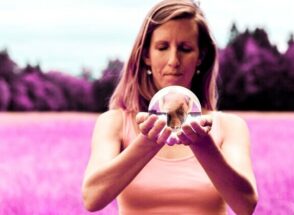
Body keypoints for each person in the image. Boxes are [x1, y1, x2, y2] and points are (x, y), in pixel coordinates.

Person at [82, 0, 258, 214]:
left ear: (200, 57)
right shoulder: (115, 123)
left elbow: (246, 205)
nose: (174, 60)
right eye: (163, 47)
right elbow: (92, 198)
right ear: (146, 55)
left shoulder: (229, 126)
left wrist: (203, 145)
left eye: (185, 49)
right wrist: (147, 142)